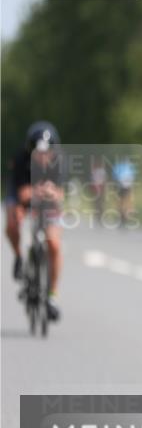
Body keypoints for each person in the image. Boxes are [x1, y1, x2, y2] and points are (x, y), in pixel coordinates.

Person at [5, 121, 65, 320]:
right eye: (38, 153)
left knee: (54, 244)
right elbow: (22, 194)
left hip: (48, 203)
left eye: (47, 153)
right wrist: (34, 194)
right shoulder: (21, 160)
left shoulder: (60, 162)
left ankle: (52, 296)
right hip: (24, 196)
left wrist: (51, 193)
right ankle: (19, 256)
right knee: (13, 224)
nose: (43, 157)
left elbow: (61, 195)